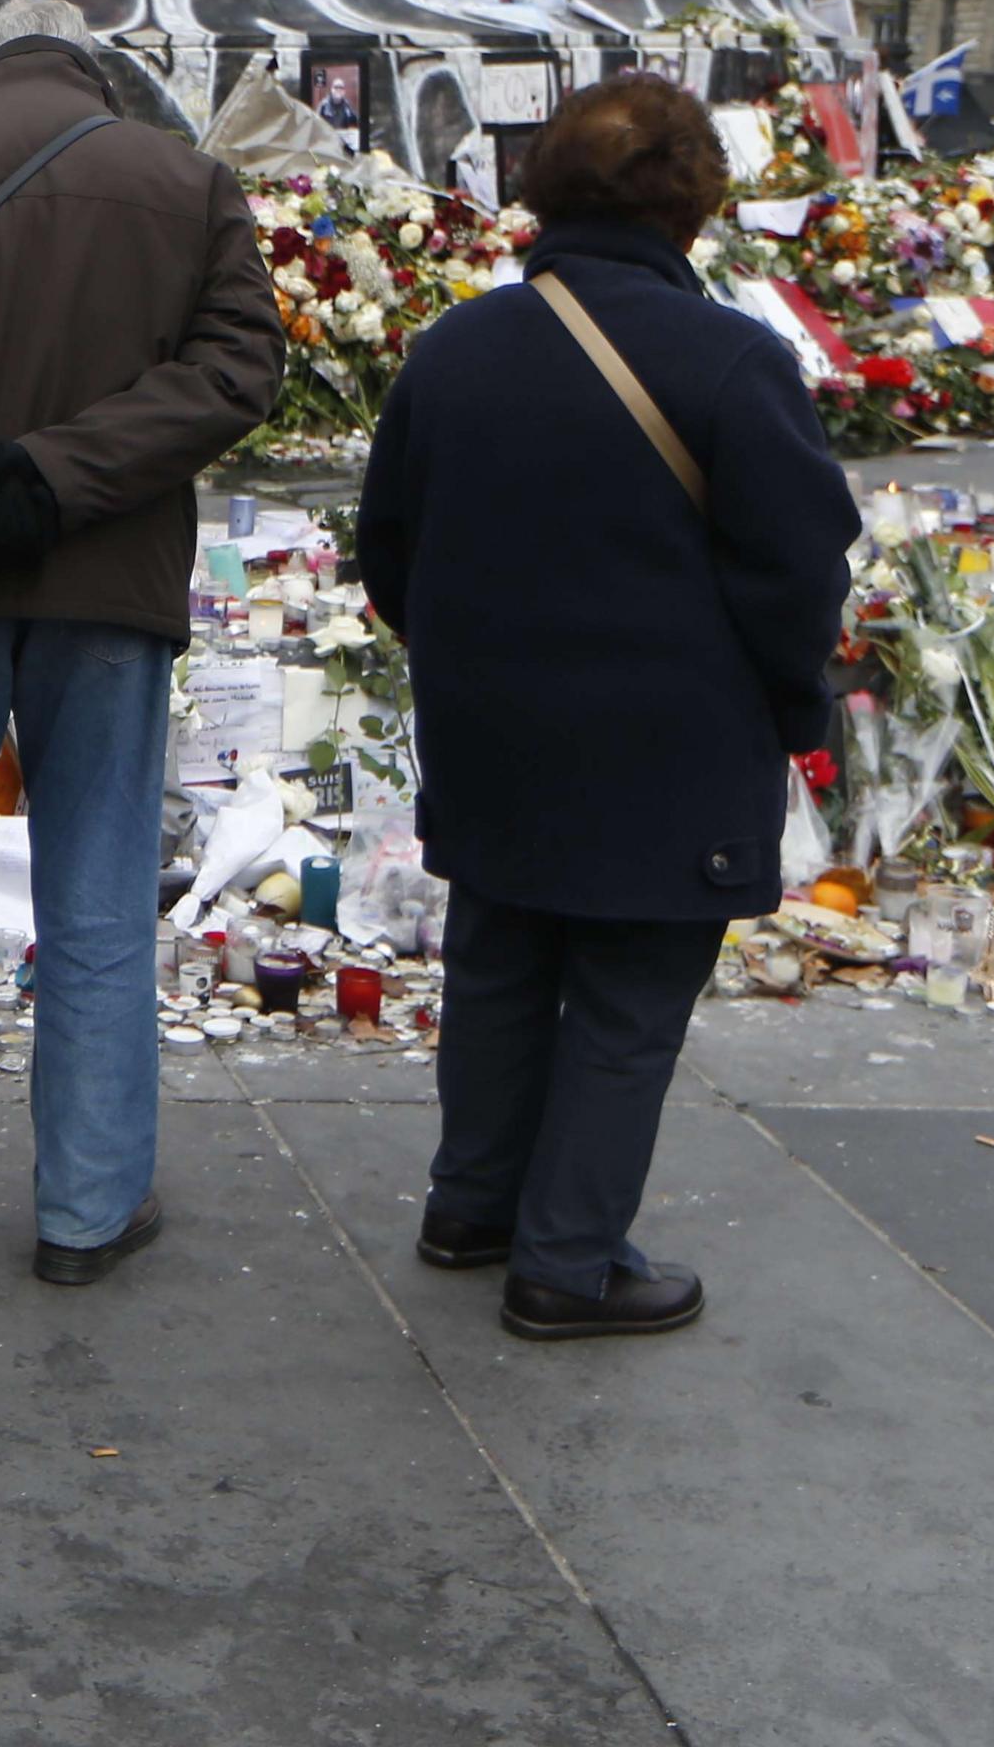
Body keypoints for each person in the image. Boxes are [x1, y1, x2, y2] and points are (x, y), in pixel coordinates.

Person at [359, 74, 855, 1341]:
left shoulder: (455, 348)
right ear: (695, 202)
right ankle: (567, 1263)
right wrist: (802, 707)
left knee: (501, 963)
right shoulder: (733, 359)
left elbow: (388, 554)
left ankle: (471, 1207)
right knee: (630, 994)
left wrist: (477, 656)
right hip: (667, 742)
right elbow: (799, 573)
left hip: (493, 730)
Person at [0, 0, 284, 1279]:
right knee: (98, 896)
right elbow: (239, 369)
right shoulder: (187, 184)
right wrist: (55, 477)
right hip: (107, 584)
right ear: (93, 72)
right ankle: (86, 1208)